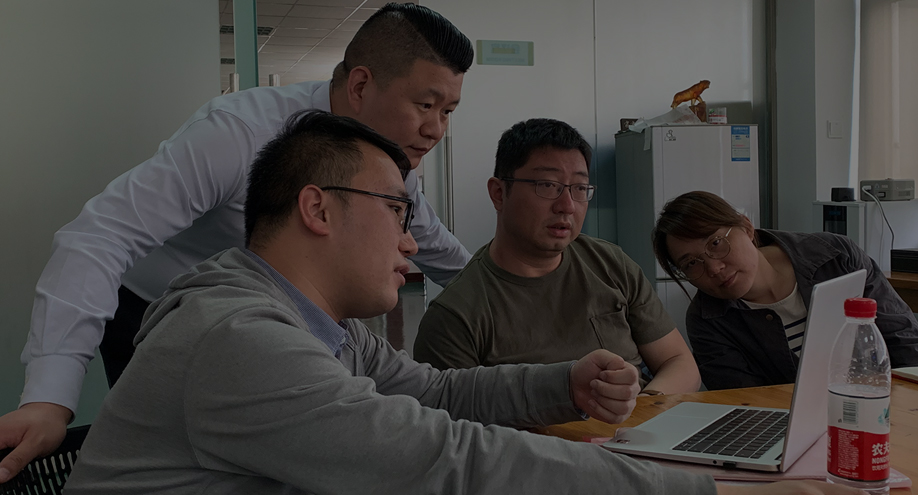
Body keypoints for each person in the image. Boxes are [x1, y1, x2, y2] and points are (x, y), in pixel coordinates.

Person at [63, 111, 861, 495]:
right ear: (317, 209)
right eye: (397, 210)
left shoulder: (322, 328)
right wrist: (715, 491)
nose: (412, 241)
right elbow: (441, 457)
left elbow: (436, 392)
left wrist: (564, 382)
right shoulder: (239, 336)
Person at [0, 3, 473, 483]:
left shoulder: (388, 163)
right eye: (425, 105)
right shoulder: (240, 133)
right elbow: (100, 235)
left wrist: (509, 292)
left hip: (277, 315)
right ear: (360, 86)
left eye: (448, 112)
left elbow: (437, 246)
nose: (436, 130)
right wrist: (49, 398)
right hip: (158, 311)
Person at [414, 118, 701, 397]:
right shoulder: (455, 317)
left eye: (579, 188)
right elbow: (456, 421)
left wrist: (643, 411)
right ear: (499, 193)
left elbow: (679, 362)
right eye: (548, 185)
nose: (567, 206)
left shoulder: (611, 264)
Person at [651, 190, 918, 391]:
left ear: (747, 228)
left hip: (884, 410)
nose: (714, 268)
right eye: (691, 263)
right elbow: (744, 403)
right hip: (792, 436)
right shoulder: (707, 320)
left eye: (716, 243)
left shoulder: (835, 257)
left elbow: (908, 346)